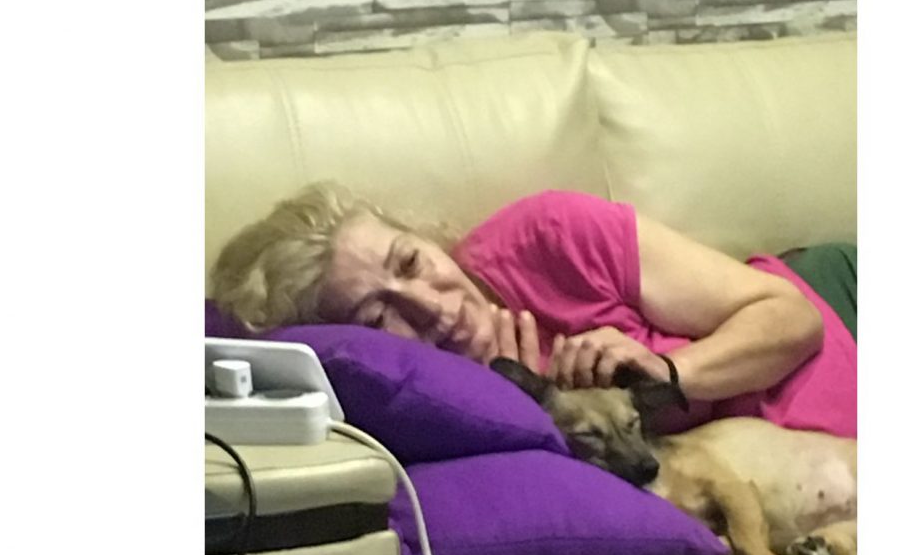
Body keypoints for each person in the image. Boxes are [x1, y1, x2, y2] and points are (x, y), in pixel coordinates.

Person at [211, 182, 856, 437]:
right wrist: (530, 413)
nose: (430, 305)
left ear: (424, 236)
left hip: (838, 305)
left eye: (410, 262)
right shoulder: (441, 413)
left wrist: (668, 374)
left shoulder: (551, 236)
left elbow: (790, 317)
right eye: (380, 317)